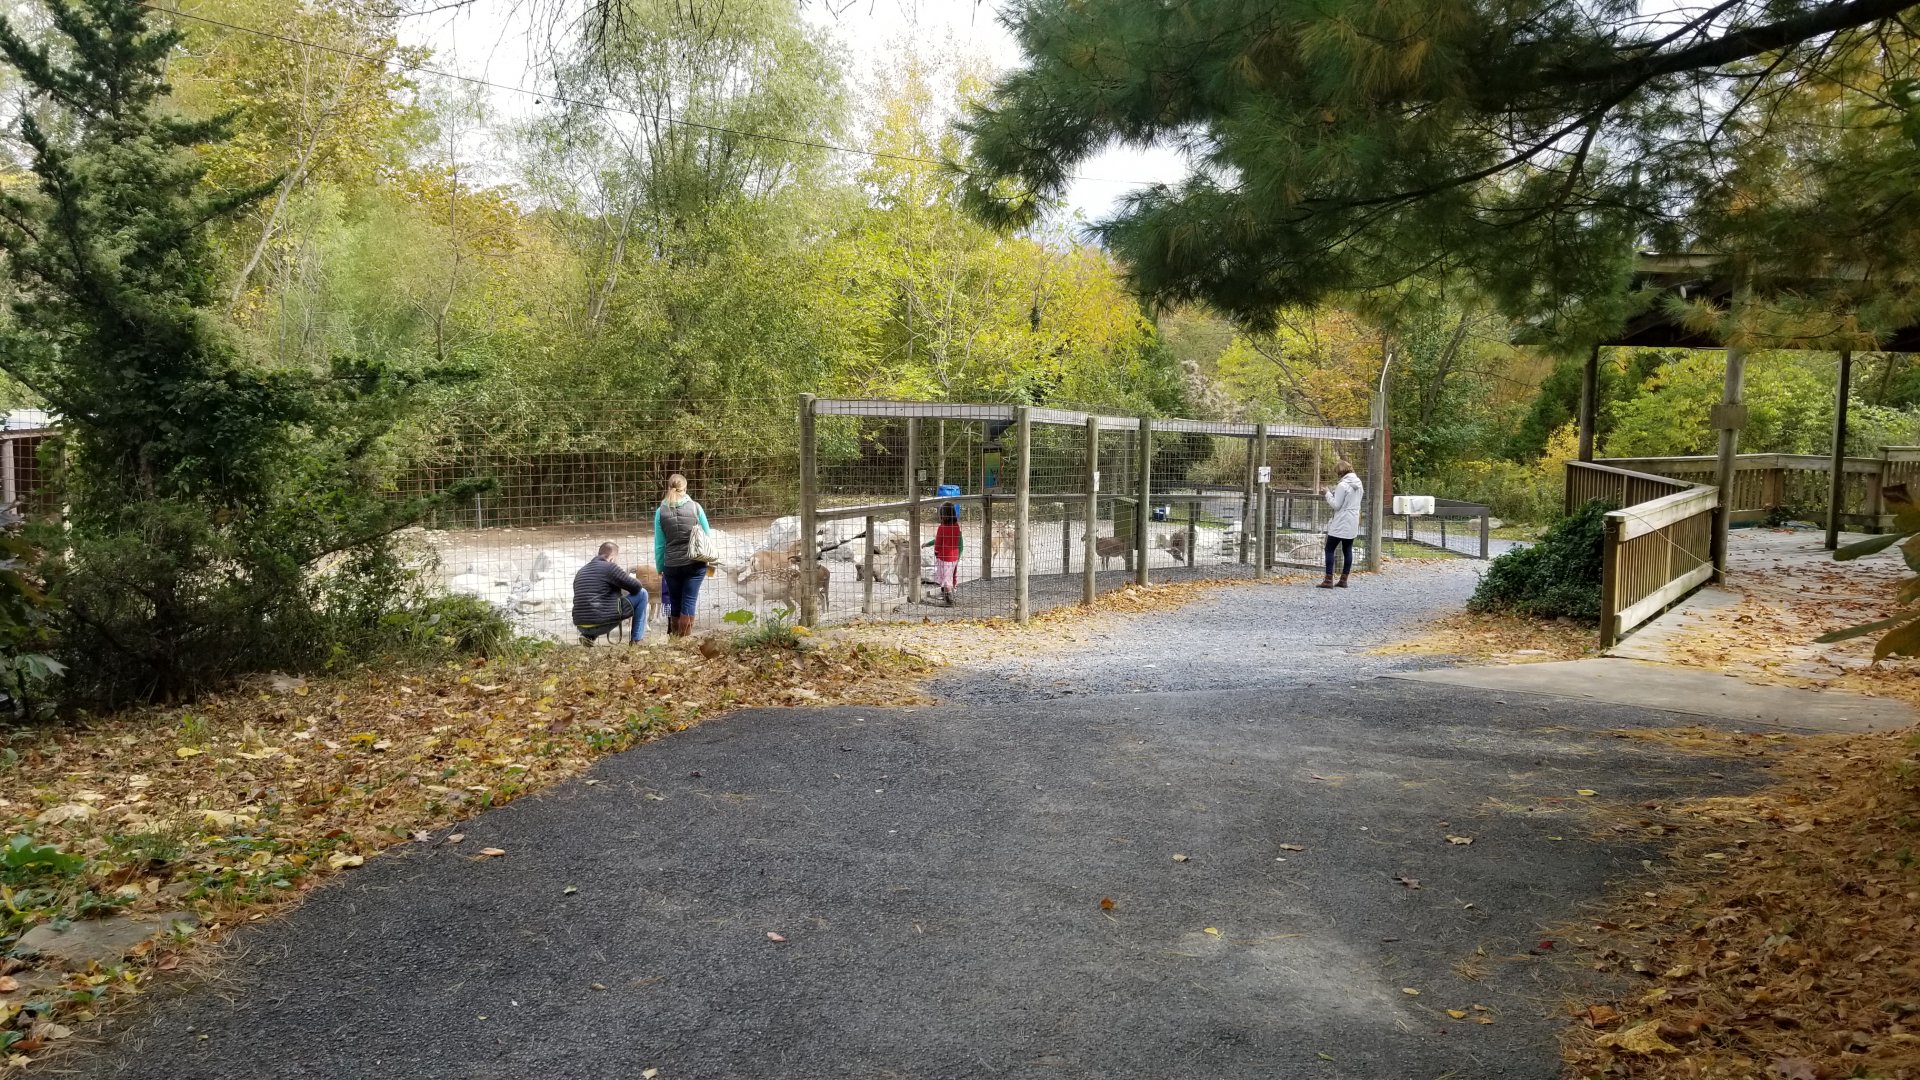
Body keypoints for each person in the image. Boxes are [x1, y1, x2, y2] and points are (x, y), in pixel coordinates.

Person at [653, 473, 712, 637]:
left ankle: (676, 637)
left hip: (671, 564)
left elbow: (659, 544)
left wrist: (660, 566)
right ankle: (685, 638)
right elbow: (707, 534)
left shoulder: (660, 511)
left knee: (675, 600)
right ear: (685, 488)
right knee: (689, 599)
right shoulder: (696, 507)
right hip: (695, 562)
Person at [572, 541, 648, 645]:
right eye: (617, 558)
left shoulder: (581, 571)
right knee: (642, 593)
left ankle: (588, 636)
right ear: (612, 557)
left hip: (581, 625)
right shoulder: (610, 567)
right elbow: (636, 587)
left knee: (596, 605)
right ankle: (636, 640)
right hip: (602, 623)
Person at [1321, 460, 1363, 589]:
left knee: (1329, 549)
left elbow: (1336, 505)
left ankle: (1328, 580)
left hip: (1342, 520)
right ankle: (1344, 579)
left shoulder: (1343, 485)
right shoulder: (1359, 483)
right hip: (1353, 519)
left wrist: (1327, 493)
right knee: (1347, 549)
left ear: (1340, 472)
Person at [931, 502, 963, 606]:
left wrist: (936, 551)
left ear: (942, 515)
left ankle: (949, 601)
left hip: (944, 557)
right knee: (950, 576)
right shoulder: (957, 526)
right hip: (954, 556)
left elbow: (938, 542)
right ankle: (948, 596)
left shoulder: (942, 528)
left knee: (945, 579)